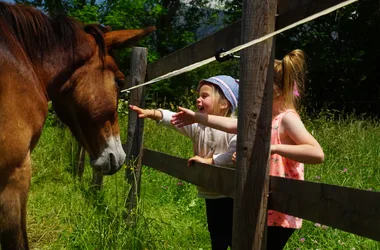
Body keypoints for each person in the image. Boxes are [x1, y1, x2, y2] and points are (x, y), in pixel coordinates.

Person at [171, 49, 325, 249]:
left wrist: (273, 148)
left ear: (276, 89)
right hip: (259, 201)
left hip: (280, 208)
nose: (253, 91)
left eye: (259, 86)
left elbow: (317, 153)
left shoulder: (287, 119)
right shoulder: (262, 119)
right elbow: (228, 125)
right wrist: (195, 117)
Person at [129, 75, 239, 250]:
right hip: (210, 191)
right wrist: (153, 113)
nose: (198, 99)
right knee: (217, 238)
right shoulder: (198, 126)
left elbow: (234, 153)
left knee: (234, 239)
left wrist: (208, 161)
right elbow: (174, 119)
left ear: (224, 103)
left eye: (204, 96)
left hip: (230, 194)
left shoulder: (234, 127)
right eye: (199, 95)